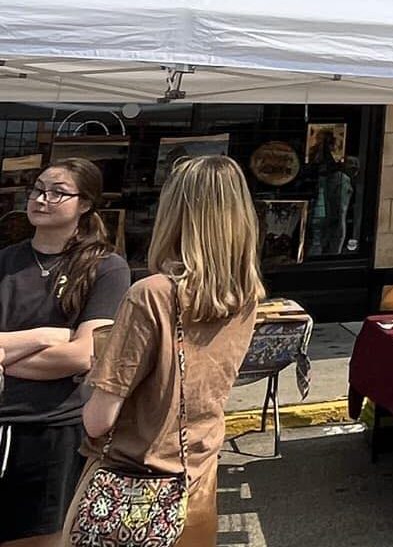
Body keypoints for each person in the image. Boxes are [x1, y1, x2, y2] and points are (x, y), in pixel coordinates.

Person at [62, 155, 264, 545]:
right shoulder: (245, 296)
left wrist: (96, 372)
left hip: (133, 483)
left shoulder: (152, 294)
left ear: (175, 213)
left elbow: (98, 420)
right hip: (197, 477)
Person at [0, 158, 130, 547]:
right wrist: (46, 335)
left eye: (57, 192)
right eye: (38, 189)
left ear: (86, 204)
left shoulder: (106, 268)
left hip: (52, 428)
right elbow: (68, 348)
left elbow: (81, 357)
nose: (42, 199)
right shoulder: (6, 261)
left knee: (39, 540)